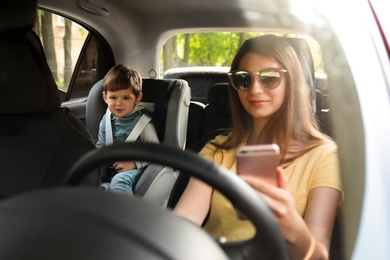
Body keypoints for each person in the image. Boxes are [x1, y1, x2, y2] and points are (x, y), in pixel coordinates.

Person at [173, 35, 343, 259]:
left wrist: (291, 226)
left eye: (269, 78)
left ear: (292, 81)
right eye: (244, 79)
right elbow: (181, 226)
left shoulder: (324, 155)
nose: (254, 89)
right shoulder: (218, 149)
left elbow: (319, 255)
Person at [96, 64, 159, 196]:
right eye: (113, 97)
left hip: (137, 168)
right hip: (112, 165)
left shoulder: (143, 123)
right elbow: (100, 146)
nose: (119, 103)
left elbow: (155, 152)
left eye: (126, 98)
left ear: (137, 98)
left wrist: (134, 164)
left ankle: (124, 214)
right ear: (105, 97)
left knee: (120, 180)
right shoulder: (106, 120)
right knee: (91, 171)